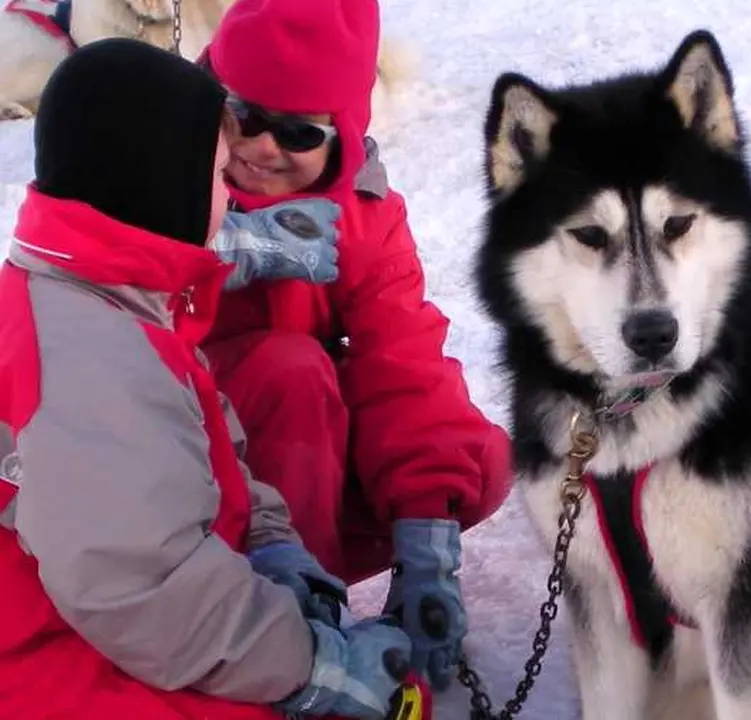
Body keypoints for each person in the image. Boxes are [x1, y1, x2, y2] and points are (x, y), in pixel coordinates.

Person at [0, 38, 412, 719]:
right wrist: (313, 668)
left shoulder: (106, 298)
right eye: (220, 176)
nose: (233, 194)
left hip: (85, 619)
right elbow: (144, 591)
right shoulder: (88, 359)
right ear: (162, 183)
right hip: (40, 656)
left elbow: (206, 449)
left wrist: (273, 543)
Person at [196, 0, 513, 692]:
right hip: (175, 467)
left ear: (342, 135)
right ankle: (289, 629)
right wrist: (220, 249)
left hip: (282, 469)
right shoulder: (155, 168)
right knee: (291, 370)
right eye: (243, 115)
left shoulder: (365, 216)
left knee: (473, 461)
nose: (261, 146)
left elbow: (404, 365)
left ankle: (324, 583)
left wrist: (427, 541)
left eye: (296, 132)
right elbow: (91, 287)